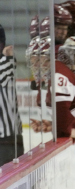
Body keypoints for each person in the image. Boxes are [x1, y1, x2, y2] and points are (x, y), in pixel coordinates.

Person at [0, 25, 23, 166]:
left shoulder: (7, 62)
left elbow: (5, 72)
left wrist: (8, 57)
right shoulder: (7, 61)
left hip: (9, 139)